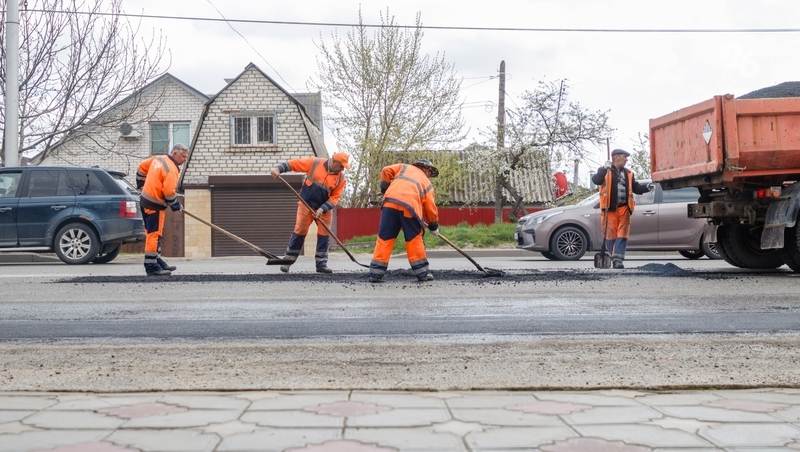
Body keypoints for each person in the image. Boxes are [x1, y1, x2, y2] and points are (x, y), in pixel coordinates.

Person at [270, 153, 349, 273]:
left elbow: (335, 198)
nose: (342, 169)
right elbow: (295, 164)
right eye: (341, 166)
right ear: (333, 161)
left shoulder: (341, 178)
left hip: (325, 209)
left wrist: (322, 209)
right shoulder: (315, 163)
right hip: (305, 204)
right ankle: (288, 261)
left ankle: (321, 264)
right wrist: (278, 169)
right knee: (299, 232)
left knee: (324, 235)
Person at [368, 159, 440, 283]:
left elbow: (386, 170)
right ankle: (422, 273)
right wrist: (433, 226)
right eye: (430, 173)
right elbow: (430, 208)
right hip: (409, 208)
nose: (429, 176)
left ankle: (375, 273)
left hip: (390, 204)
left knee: (385, 238)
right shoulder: (427, 183)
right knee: (414, 239)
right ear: (427, 170)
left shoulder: (403, 167)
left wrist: (385, 189)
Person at [591, 148, 652, 269]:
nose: (626, 159)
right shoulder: (605, 170)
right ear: (616, 157)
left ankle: (618, 259)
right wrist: (604, 169)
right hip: (609, 209)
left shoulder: (629, 173)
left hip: (624, 208)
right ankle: (613, 256)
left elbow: (636, 188)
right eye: (624, 157)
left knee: (622, 234)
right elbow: (596, 180)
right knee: (610, 235)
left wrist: (647, 187)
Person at [136, 144, 188, 276]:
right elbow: (169, 192)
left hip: (145, 201)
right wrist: (176, 206)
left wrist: (141, 185)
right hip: (155, 205)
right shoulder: (171, 169)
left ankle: (156, 260)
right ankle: (151, 267)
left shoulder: (158, 159)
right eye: (183, 156)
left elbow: (141, 167)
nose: (184, 160)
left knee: (153, 234)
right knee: (154, 235)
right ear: (175, 154)